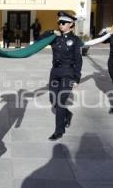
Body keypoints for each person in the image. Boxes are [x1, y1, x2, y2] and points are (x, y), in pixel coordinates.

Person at [38, 11, 83, 141]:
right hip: (55, 72)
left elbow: (78, 60)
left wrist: (76, 78)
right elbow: (40, 39)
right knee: (53, 100)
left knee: (60, 101)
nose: (61, 25)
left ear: (71, 24)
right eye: (59, 23)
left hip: (68, 73)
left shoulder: (75, 40)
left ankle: (59, 130)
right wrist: (51, 32)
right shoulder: (55, 38)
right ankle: (67, 114)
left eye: (63, 23)